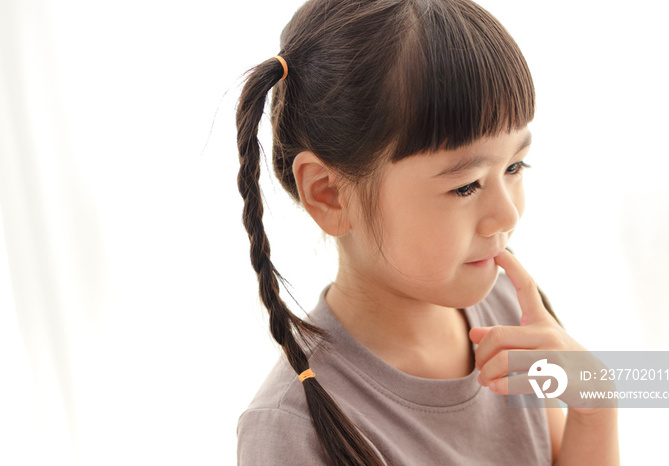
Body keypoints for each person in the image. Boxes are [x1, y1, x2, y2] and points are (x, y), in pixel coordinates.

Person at [235, 0, 619, 464]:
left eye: (515, 166)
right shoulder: (293, 428)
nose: (506, 215)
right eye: (466, 186)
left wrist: (596, 407)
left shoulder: (507, 312)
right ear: (329, 195)